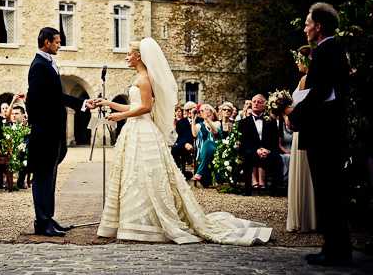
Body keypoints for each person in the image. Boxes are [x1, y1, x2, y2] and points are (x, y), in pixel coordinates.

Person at [95, 38, 271, 245]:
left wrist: (120, 117)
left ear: (139, 56)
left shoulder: (144, 79)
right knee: (134, 174)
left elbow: (145, 108)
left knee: (147, 174)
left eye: (129, 54)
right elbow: (133, 106)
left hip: (142, 130)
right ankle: (134, 219)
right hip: (135, 130)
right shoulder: (139, 77)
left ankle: (148, 221)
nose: (126, 57)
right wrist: (108, 103)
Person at [285, 3, 351, 265]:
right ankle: (336, 246)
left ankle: (335, 250)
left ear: (319, 26)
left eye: (307, 23)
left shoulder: (326, 51)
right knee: (329, 191)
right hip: (328, 131)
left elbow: (320, 94)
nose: (305, 28)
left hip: (325, 134)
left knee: (328, 192)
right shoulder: (333, 50)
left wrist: (295, 115)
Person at [26, 27, 94, 237]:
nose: (59, 45)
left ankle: (48, 217)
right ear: (46, 42)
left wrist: (83, 104)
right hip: (44, 133)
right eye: (57, 42)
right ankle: (42, 221)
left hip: (51, 132)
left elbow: (56, 95)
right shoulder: (39, 66)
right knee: (42, 178)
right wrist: (81, 103)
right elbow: (38, 101)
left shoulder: (47, 63)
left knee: (51, 176)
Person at [286, 45, 316, 233]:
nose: (297, 62)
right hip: (298, 130)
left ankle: (308, 217)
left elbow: (306, 107)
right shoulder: (302, 79)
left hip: (305, 131)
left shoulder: (309, 79)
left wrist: (290, 113)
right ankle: (305, 215)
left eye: (299, 59)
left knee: (306, 174)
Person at [237, 94, 283, 196]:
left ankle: (275, 190)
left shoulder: (271, 121)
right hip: (251, 150)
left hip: (267, 150)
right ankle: (249, 189)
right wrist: (256, 150)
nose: (256, 104)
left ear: (264, 105)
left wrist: (268, 150)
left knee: (277, 158)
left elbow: (274, 140)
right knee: (248, 154)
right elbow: (244, 142)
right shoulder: (243, 122)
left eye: (259, 102)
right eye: (254, 102)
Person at [191, 103, 221, 187]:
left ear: (211, 111)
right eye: (201, 110)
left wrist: (207, 120)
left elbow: (215, 131)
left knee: (208, 142)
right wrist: (193, 118)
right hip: (203, 153)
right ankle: (203, 174)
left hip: (216, 149)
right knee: (206, 144)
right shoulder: (199, 125)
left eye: (205, 109)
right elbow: (194, 134)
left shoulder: (217, 123)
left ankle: (199, 172)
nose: (203, 111)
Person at [171, 102, 195, 178]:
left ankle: (185, 169)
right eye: (188, 110)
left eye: (193, 110)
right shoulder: (181, 122)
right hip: (184, 144)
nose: (190, 112)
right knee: (175, 149)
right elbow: (180, 136)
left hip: (196, 143)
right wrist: (185, 144)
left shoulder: (200, 120)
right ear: (186, 111)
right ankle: (180, 171)